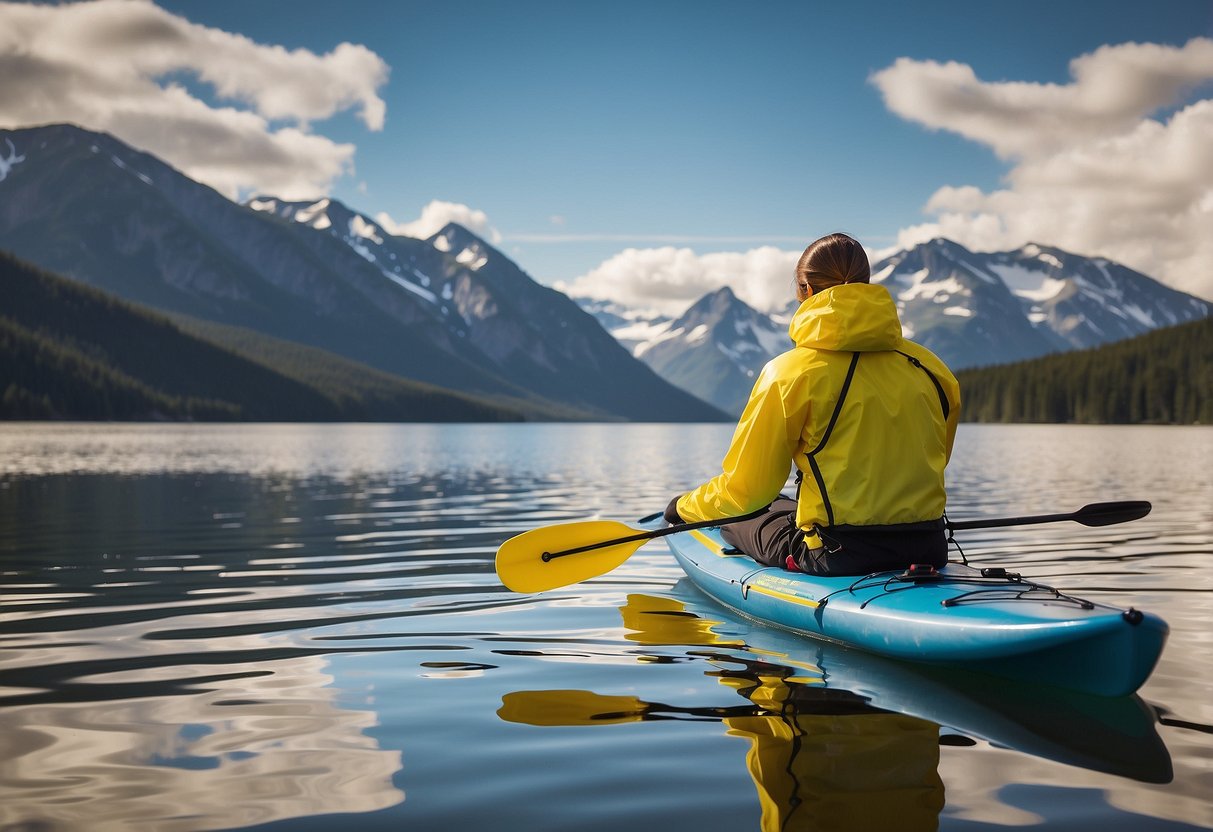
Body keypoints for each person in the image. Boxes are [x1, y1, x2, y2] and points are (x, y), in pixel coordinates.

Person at [664, 233, 960, 576]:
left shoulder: (789, 373)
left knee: (736, 520)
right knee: (780, 506)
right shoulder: (933, 368)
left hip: (836, 553)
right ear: (865, 283)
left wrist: (682, 507)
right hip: (928, 546)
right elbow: (934, 458)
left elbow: (745, 493)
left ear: (805, 290)